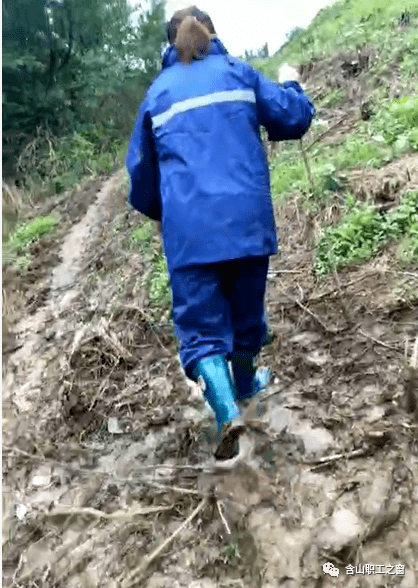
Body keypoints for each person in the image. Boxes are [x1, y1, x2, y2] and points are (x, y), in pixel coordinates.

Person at [126, 6, 315, 466]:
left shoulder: (158, 93)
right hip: (247, 222)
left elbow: (141, 177)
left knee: (201, 331)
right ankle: (247, 387)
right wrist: (292, 83)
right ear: (213, 35)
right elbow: (292, 119)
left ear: (170, 44)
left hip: (191, 234)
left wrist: (166, 213)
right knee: (246, 316)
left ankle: (228, 410)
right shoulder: (239, 73)